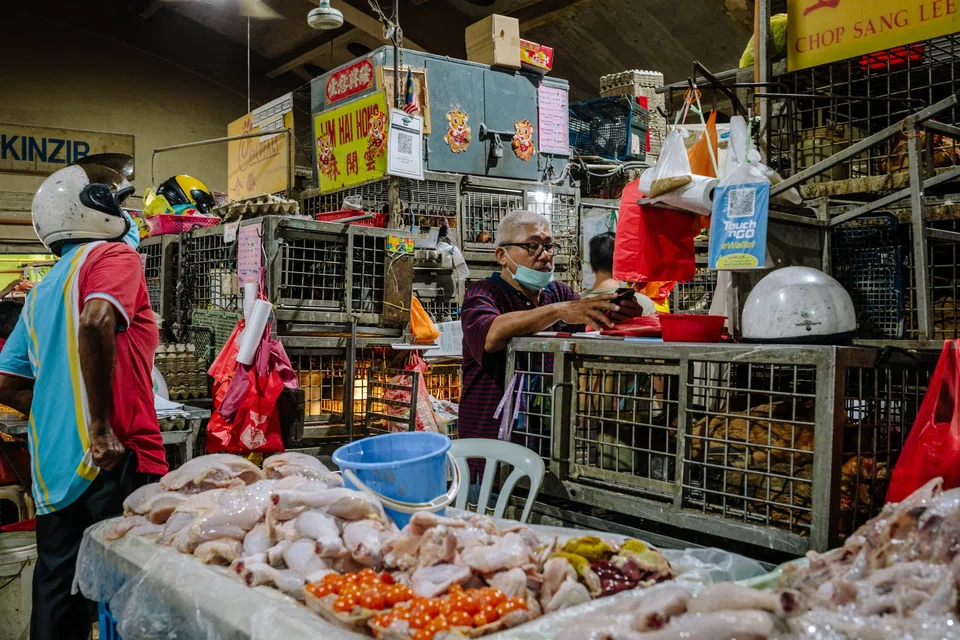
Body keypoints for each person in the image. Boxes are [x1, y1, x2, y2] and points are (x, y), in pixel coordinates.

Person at [0, 154, 168, 640]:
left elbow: (7, 381)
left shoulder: (42, 290)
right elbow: (96, 321)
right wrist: (97, 427)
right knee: (128, 588)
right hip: (114, 456)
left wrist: (57, 408)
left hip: (54, 467)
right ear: (96, 209)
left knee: (58, 590)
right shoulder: (114, 257)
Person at [459, 211, 644, 496]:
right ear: (501, 255)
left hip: (547, 447)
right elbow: (490, 335)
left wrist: (618, 314)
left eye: (548, 246)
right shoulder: (482, 293)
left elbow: (586, 322)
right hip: (493, 453)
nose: (544, 255)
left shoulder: (557, 292)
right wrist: (559, 311)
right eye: (532, 246)